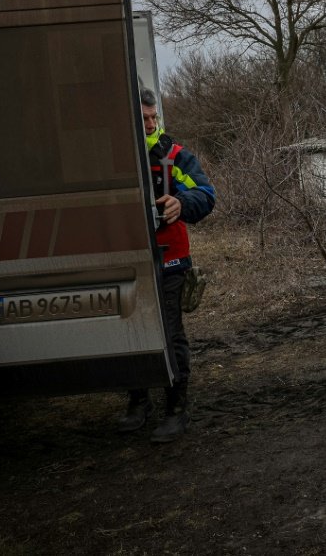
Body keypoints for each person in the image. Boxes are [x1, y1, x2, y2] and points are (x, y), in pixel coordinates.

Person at [118, 89, 216, 442]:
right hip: (125, 259)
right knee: (129, 332)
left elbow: (206, 195)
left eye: (153, 117)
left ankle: (176, 408)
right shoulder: (111, 156)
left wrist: (181, 202)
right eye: (142, 118)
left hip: (170, 258)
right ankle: (137, 401)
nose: (150, 124)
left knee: (171, 332)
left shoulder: (174, 155)